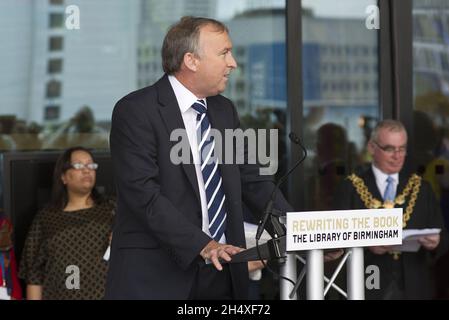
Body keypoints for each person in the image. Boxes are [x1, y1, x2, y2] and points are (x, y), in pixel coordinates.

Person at [105, 16, 296, 300]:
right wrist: (203, 245)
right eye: (224, 53)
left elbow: (254, 182)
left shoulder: (224, 111)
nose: (233, 63)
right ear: (191, 60)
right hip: (155, 277)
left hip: (221, 275)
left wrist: (301, 233)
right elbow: (142, 194)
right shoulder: (136, 111)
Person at [335, 119, 449, 299]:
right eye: (389, 148)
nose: (397, 156)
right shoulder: (351, 188)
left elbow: (443, 238)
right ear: (372, 148)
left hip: (414, 286)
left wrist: (436, 243)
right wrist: (365, 243)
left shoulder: (422, 188)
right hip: (367, 284)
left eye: (402, 148)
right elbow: (334, 238)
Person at [19, 147, 114, 300]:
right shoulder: (46, 219)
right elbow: (34, 276)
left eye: (90, 165)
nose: (86, 170)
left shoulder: (112, 210)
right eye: (78, 165)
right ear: (63, 176)